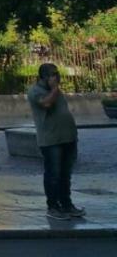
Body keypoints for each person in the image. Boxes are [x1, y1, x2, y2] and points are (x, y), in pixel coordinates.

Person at [28, 63, 84, 220]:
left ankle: (67, 204)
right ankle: (53, 207)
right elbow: (46, 104)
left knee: (65, 174)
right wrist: (54, 89)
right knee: (53, 174)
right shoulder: (35, 91)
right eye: (52, 74)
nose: (56, 77)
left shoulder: (57, 90)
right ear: (43, 77)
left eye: (57, 73)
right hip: (51, 141)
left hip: (68, 137)